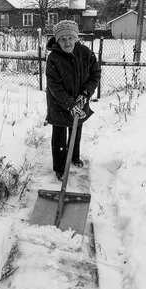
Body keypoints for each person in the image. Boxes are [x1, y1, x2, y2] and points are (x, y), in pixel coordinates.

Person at [45, 20, 101, 181]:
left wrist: (85, 94)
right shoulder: (53, 58)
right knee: (59, 133)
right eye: (62, 39)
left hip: (81, 100)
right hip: (59, 102)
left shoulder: (85, 53)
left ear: (76, 38)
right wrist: (69, 104)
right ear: (57, 40)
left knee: (76, 129)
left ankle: (74, 156)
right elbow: (54, 85)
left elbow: (95, 74)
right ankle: (60, 167)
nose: (67, 42)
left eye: (70, 38)